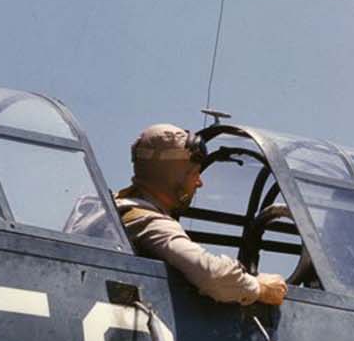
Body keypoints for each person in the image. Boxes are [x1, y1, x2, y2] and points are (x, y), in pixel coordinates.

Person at [116, 124, 287, 307]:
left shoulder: (99, 206)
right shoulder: (148, 221)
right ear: (174, 176)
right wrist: (260, 287)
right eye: (194, 173)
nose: (199, 183)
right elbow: (212, 274)